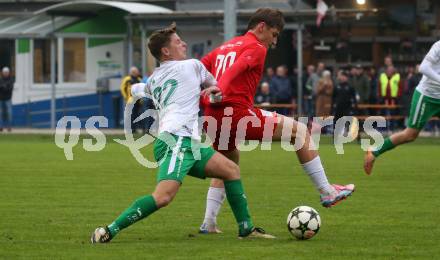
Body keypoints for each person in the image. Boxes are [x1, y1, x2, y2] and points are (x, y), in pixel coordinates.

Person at [91, 23, 274, 243]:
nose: (184, 43)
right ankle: (109, 230)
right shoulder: (192, 66)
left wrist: (136, 89)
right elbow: (216, 92)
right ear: (166, 51)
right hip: (176, 141)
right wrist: (213, 94)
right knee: (163, 197)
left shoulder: (154, 78)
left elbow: (137, 89)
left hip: (187, 142)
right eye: (178, 41)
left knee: (231, 170)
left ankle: (246, 229)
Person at [199, 8, 354, 234]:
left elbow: (199, 68)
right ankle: (326, 191)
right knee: (300, 132)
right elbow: (237, 68)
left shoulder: (225, 46)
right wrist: (220, 88)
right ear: (261, 27)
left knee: (228, 165)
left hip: (212, 116)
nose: (274, 41)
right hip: (236, 114)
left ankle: (209, 223)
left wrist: (202, 92)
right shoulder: (256, 47)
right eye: (274, 33)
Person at [364, 41, 440, 175]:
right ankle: (374, 152)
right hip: (427, 96)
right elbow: (423, 68)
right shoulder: (438, 46)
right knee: (410, 135)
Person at [332, 71, 357, 139]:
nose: (343, 78)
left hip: (347, 107)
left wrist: (355, 107)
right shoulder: (337, 87)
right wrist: (332, 108)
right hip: (338, 108)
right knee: (337, 122)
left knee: (348, 120)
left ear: (346, 78)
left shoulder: (350, 87)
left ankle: (346, 131)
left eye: (344, 77)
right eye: (342, 76)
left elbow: (354, 98)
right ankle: (335, 136)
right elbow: (333, 98)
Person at [120, 66, 143, 133]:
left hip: (138, 100)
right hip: (130, 100)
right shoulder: (127, 79)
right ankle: (130, 129)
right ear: (133, 72)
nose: (138, 72)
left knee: (136, 114)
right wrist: (126, 97)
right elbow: (122, 88)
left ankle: (135, 128)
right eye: (136, 71)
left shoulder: (139, 79)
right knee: (130, 115)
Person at [0, 67, 14, 132]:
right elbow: (3, 87)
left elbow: (9, 88)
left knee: (9, 113)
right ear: (2, 73)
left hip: (8, 98)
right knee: (1, 113)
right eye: (4, 72)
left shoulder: (11, 80)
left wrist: (3, 87)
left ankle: (9, 127)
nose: (5, 73)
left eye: (6, 72)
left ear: (8, 73)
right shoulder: (0, 80)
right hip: (1, 98)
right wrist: (4, 86)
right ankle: (1, 127)